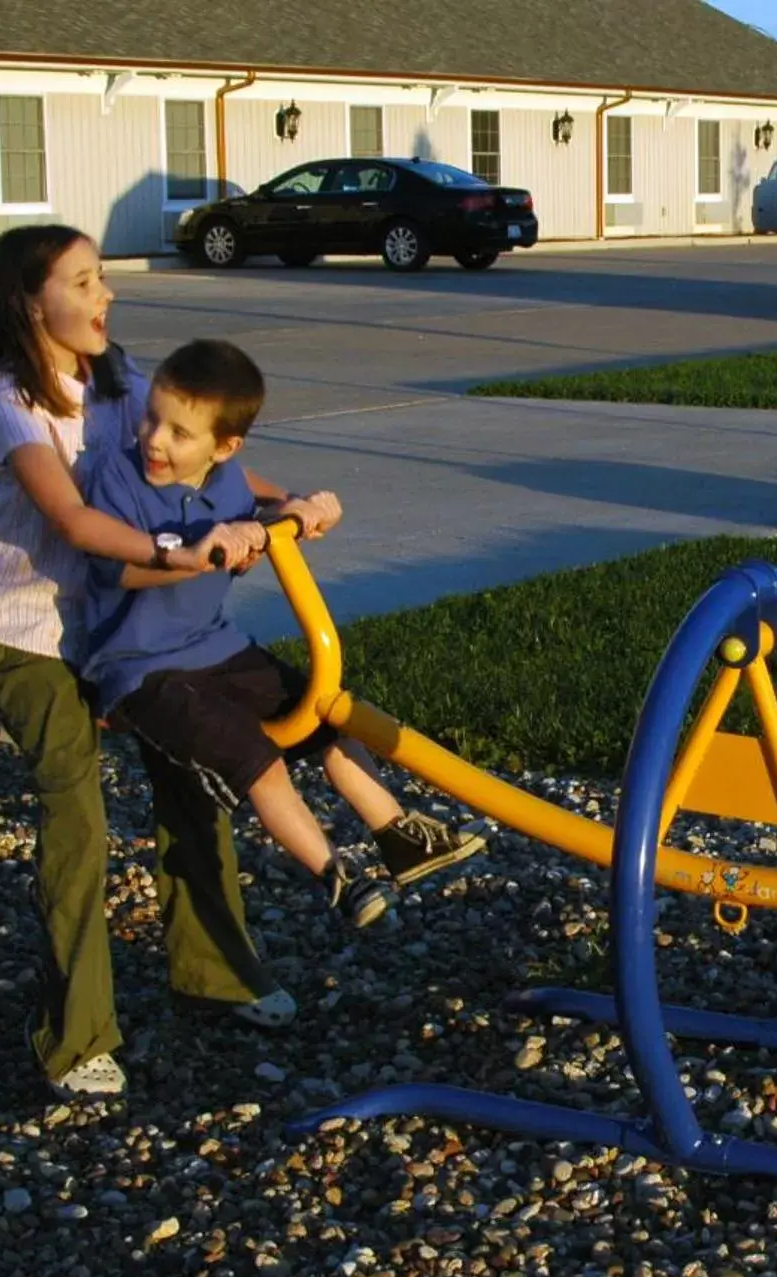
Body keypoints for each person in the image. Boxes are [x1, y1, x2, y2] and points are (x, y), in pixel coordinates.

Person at [0, 224, 330, 1099]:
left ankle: (216, 973)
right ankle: (76, 1038)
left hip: (126, 623)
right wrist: (188, 554)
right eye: (83, 282)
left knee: (193, 775)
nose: (103, 295)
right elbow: (77, 525)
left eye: (102, 277)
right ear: (28, 301)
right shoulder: (11, 398)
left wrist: (277, 501)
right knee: (76, 812)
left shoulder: (117, 376)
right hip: (29, 630)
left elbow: (196, 443)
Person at [82, 338, 483, 930]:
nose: (155, 440)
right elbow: (110, 568)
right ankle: (338, 877)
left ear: (224, 447)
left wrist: (303, 507)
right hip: (141, 667)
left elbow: (264, 505)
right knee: (260, 761)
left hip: (215, 645)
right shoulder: (116, 478)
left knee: (327, 715)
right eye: (152, 419)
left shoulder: (228, 481)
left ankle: (399, 831)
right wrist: (190, 555)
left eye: (178, 434)